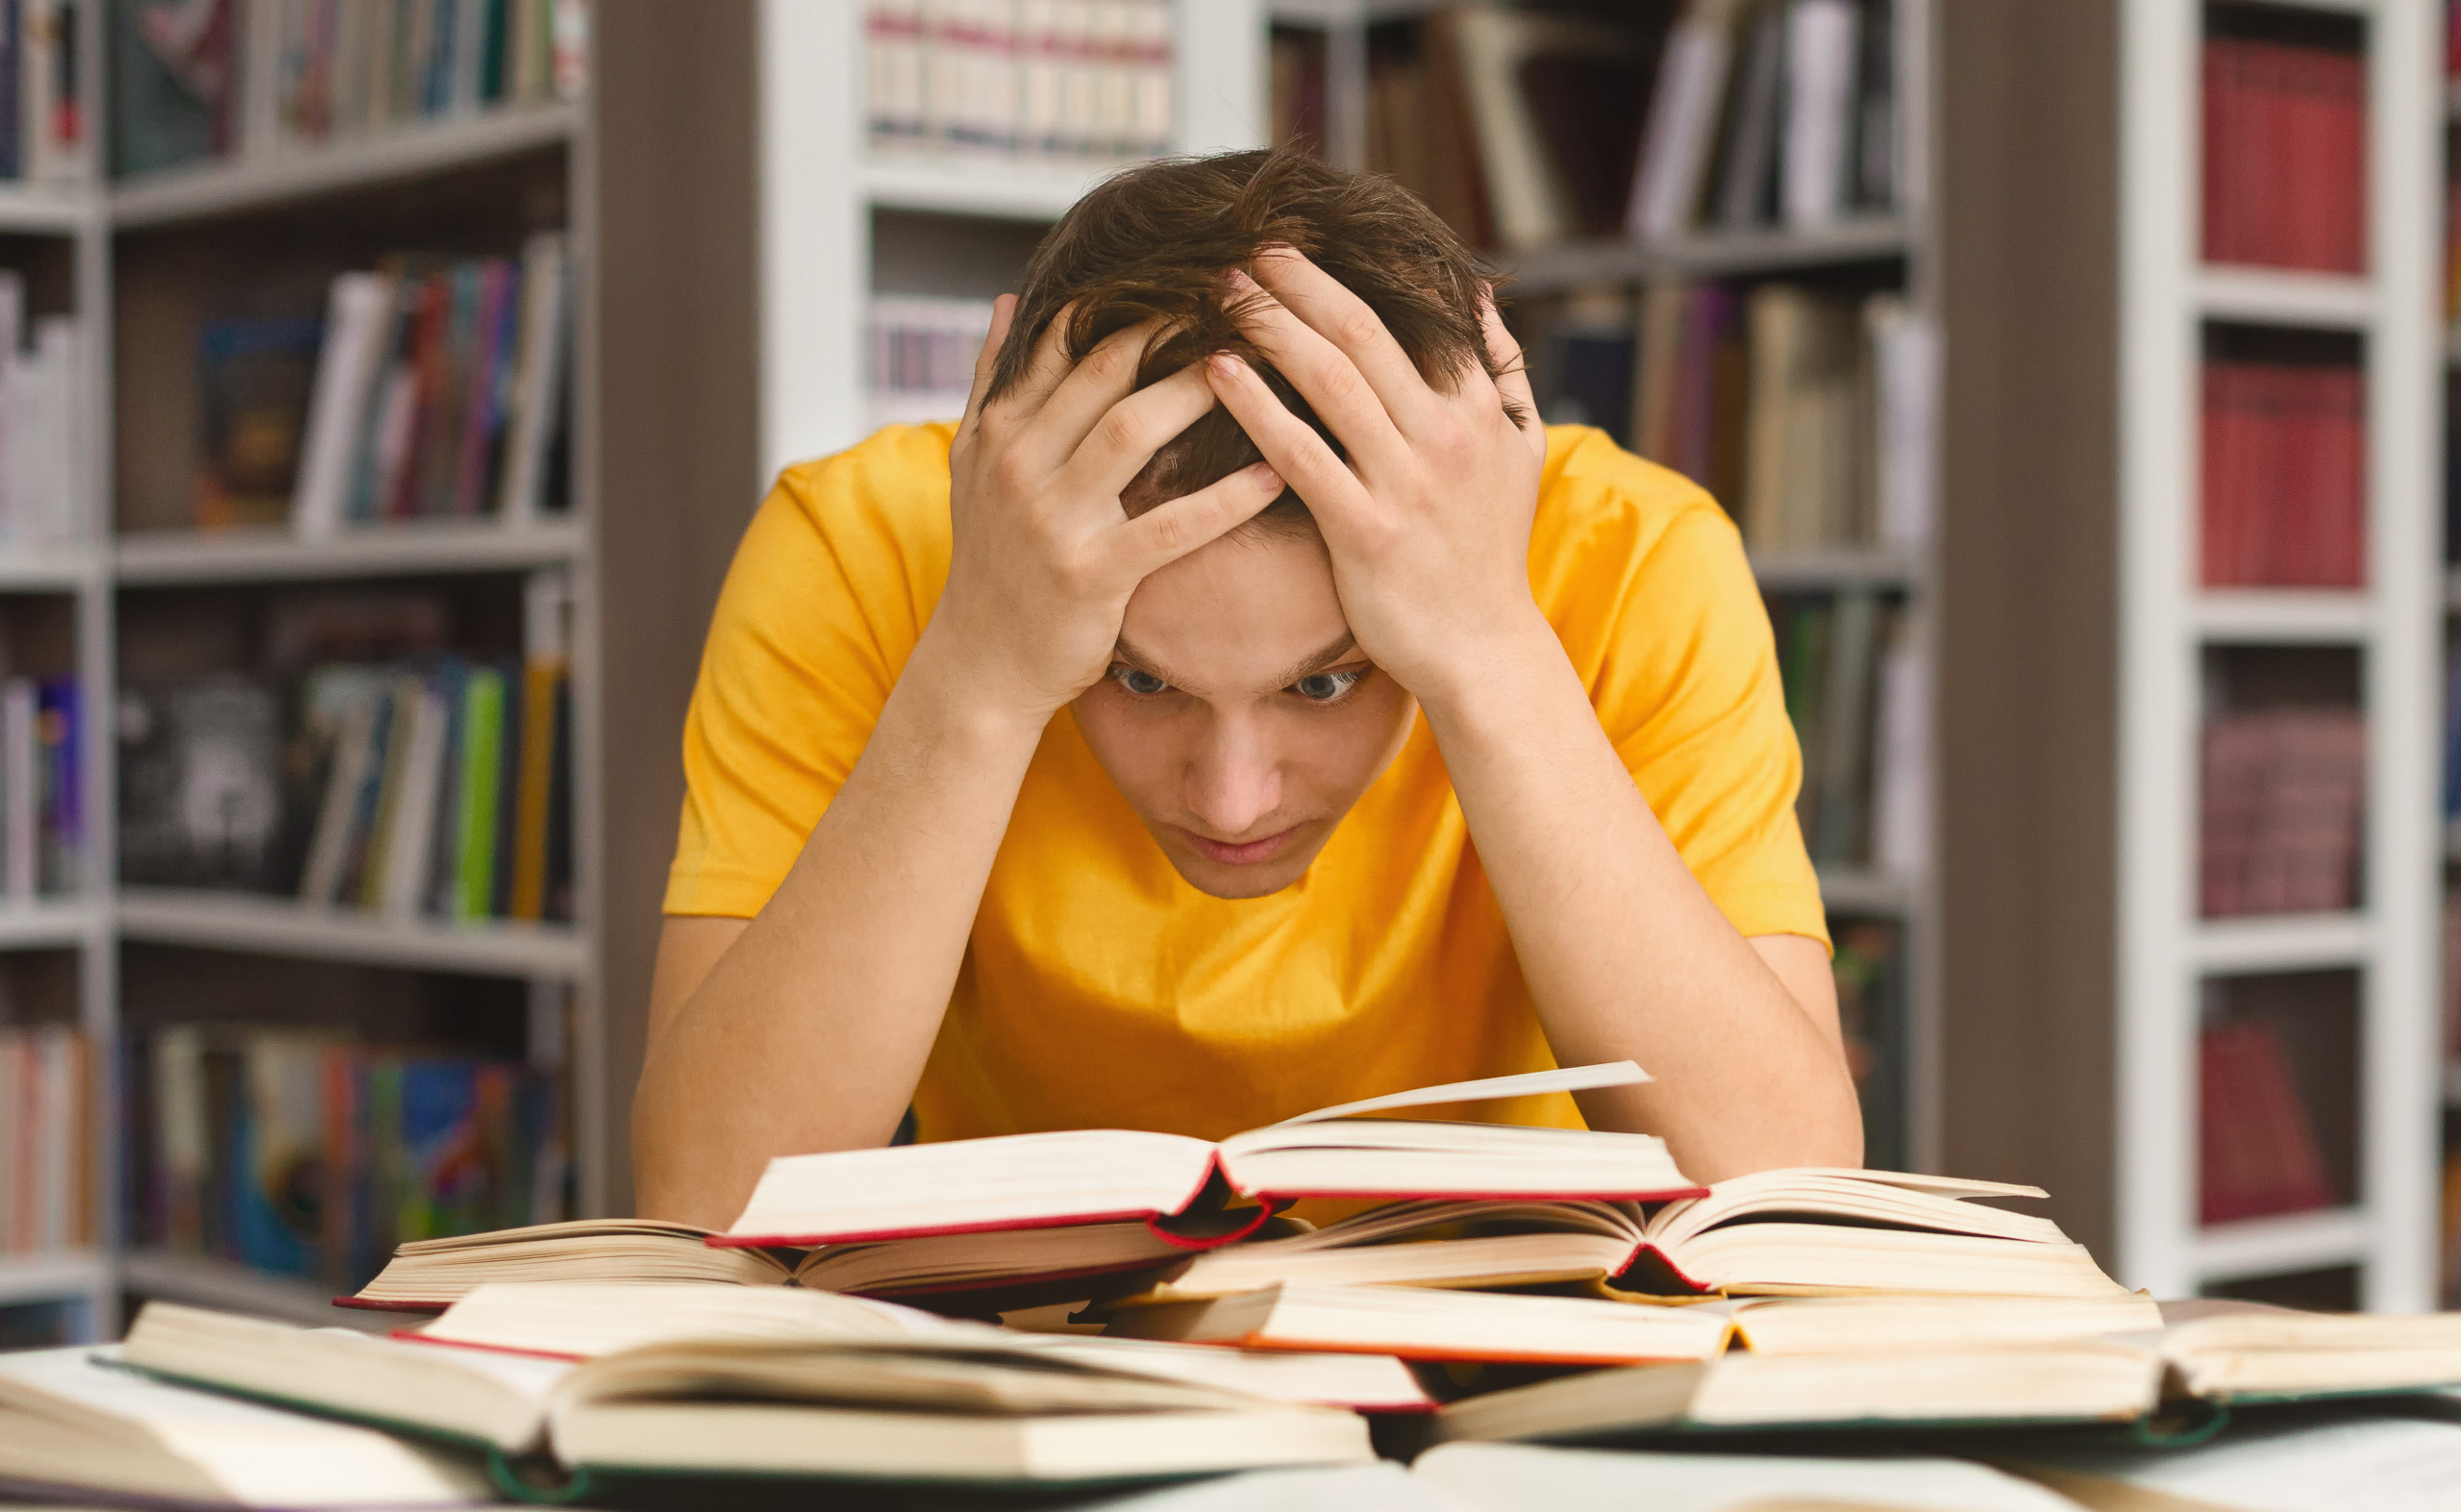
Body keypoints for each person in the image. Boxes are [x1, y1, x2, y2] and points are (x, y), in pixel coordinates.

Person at [635, 147, 1863, 1228]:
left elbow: (1789, 1194)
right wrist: (983, 666)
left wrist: (1488, 643)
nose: (1231, 801)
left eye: (1325, 685)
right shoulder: (860, 548)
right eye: (1139, 681)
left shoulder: (1630, 553)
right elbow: (707, 1198)